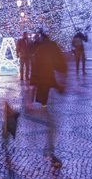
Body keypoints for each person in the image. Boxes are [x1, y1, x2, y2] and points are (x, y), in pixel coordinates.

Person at [29, 31, 66, 167]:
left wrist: (30, 98)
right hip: (48, 91)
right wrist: (61, 83)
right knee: (52, 123)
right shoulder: (50, 47)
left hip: (43, 91)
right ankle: (50, 153)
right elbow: (61, 66)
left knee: (49, 122)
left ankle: (8, 126)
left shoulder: (37, 50)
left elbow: (34, 74)